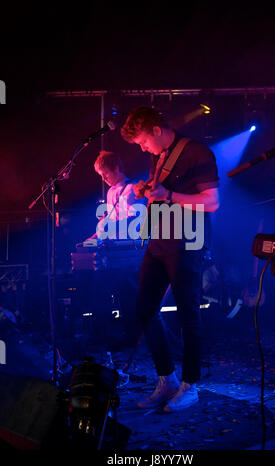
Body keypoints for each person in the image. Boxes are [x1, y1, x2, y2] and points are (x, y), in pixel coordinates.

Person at [121, 106, 220, 412]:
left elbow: (212, 202)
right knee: (144, 308)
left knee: (188, 315)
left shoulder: (197, 153)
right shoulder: (160, 155)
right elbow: (166, 191)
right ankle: (168, 379)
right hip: (160, 240)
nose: (142, 148)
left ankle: (191, 386)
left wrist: (167, 196)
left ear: (156, 130)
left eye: (143, 142)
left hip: (187, 242)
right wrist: (147, 190)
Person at [93, 150, 140, 240]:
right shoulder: (110, 191)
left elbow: (135, 220)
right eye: (101, 175)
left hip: (128, 241)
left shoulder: (132, 188)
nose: (103, 179)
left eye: (105, 173)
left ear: (116, 169)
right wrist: (94, 238)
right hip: (113, 240)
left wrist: (109, 227)